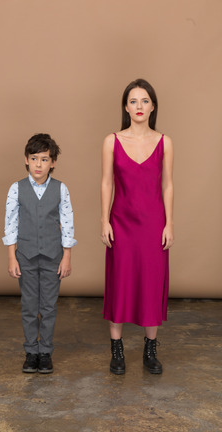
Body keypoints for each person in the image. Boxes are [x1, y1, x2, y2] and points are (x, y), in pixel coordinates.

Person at [101, 79, 174, 375]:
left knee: (152, 283)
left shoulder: (165, 141)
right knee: (120, 282)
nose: (139, 106)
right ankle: (116, 351)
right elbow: (106, 182)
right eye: (133, 101)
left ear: (153, 106)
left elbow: (168, 185)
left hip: (154, 223)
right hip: (121, 221)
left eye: (145, 101)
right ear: (125, 107)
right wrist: (103, 219)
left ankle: (150, 350)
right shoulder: (112, 141)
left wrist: (170, 222)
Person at [3, 133, 77, 374]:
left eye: (44, 159)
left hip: (53, 255)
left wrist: (67, 256)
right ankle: (30, 352)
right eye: (34, 158)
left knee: (48, 307)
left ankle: (45, 352)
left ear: (53, 162)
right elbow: (11, 223)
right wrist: (12, 256)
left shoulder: (60, 189)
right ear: (26, 159)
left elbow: (67, 223)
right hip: (24, 255)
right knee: (28, 305)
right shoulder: (17, 189)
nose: (38, 164)